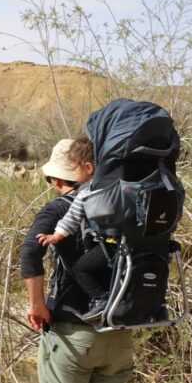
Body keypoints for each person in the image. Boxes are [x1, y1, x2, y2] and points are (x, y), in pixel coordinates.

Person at [22, 138, 141, 383]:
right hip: (119, 332)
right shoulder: (125, 204)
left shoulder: (59, 209)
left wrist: (37, 304)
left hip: (72, 335)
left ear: (58, 179)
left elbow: (29, 254)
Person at [34, 134, 113, 320]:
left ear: (88, 167)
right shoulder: (116, 183)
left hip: (113, 244)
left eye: (73, 169)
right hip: (136, 244)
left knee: (80, 268)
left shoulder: (86, 191)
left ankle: (101, 299)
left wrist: (55, 237)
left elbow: (72, 218)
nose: (73, 175)